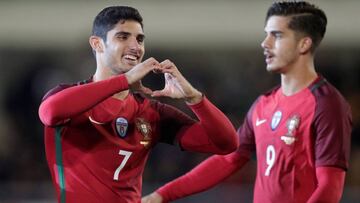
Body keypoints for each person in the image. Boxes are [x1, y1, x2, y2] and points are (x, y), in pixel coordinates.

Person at [142, 1, 352, 203]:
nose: (265, 43)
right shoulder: (264, 104)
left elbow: (329, 187)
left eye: (276, 35)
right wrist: (161, 195)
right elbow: (228, 160)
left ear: (304, 44)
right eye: (266, 34)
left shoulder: (327, 104)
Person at [38, 6, 239, 203]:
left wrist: (194, 97)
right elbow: (49, 112)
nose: (136, 47)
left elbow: (227, 143)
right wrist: (125, 80)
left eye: (140, 39)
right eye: (123, 37)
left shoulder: (151, 112)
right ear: (97, 44)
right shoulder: (66, 97)